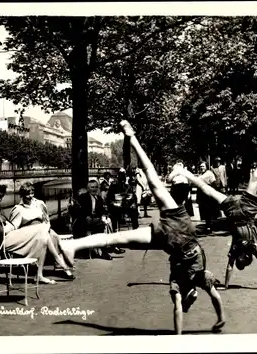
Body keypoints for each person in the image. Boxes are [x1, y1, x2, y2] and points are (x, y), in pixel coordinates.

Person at [58, 121, 226, 334]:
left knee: (152, 178)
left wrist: (221, 319)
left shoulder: (200, 278)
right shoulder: (188, 281)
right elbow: (200, 301)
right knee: (117, 238)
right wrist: (211, 323)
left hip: (179, 227)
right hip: (168, 239)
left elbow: (214, 298)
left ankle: (132, 136)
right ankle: (73, 245)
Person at [167, 132, 257, 291]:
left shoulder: (235, 249)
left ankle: (183, 172)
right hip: (247, 213)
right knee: (256, 175)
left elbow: (229, 267)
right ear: (246, 259)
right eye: (242, 260)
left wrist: (226, 286)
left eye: (238, 261)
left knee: (207, 190)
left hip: (233, 211)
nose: (238, 260)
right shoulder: (254, 247)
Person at [0, 184, 74, 285]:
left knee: (43, 236)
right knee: (42, 229)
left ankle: (40, 275)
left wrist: (6, 224)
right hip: (1, 242)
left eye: (1, 196)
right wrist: (6, 225)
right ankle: (60, 262)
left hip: (7, 236)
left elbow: (7, 225)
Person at [73, 179, 118, 260]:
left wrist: (104, 215)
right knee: (102, 224)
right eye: (92, 187)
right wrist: (87, 217)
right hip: (84, 221)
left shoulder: (99, 198)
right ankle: (109, 248)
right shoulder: (83, 197)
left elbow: (102, 210)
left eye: (96, 187)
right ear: (88, 188)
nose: (94, 189)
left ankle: (107, 249)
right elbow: (79, 211)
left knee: (107, 222)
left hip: (95, 220)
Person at [196, 161, 218, 233]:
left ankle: (209, 227)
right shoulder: (201, 174)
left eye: (203, 166)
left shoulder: (209, 173)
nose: (201, 167)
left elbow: (214, 184)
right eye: (201, 166)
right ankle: (207, 225)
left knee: (208, 211)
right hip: (201, 194)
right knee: (204, 211)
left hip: (207, 194)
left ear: (206, 167)